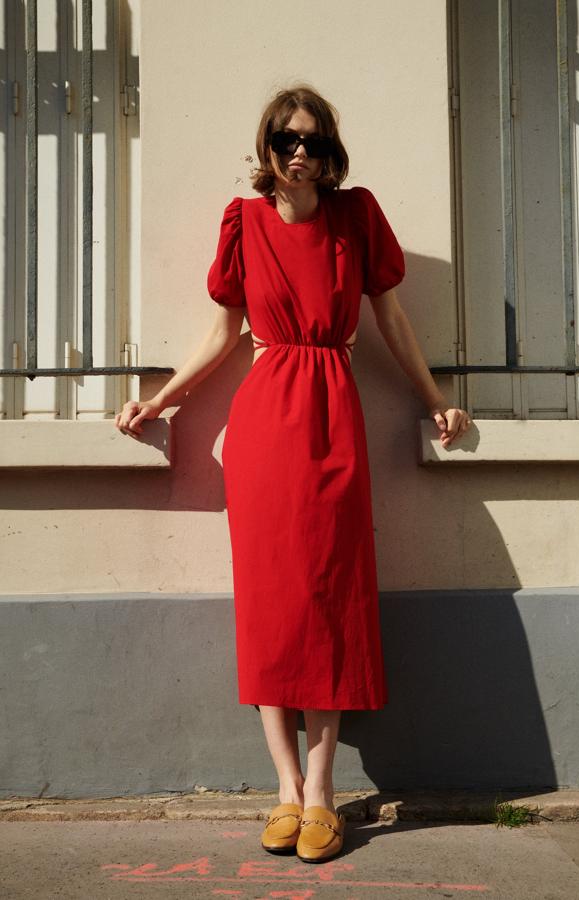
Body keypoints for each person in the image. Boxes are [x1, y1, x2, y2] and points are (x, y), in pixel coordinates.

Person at [115, 83, 471, 863]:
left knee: (331, 593)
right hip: (265, 424)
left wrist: (435, 400)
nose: (299, 153)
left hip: (334, 415)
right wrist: (161, 401)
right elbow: (224, 334)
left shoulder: (356, 217)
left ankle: (321, 792)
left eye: (311, 140)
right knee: (272, 600)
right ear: (268, 149)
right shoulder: (242, 223)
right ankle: (284, 788)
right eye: (286, 140)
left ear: (328, 149)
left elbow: (392, 321)